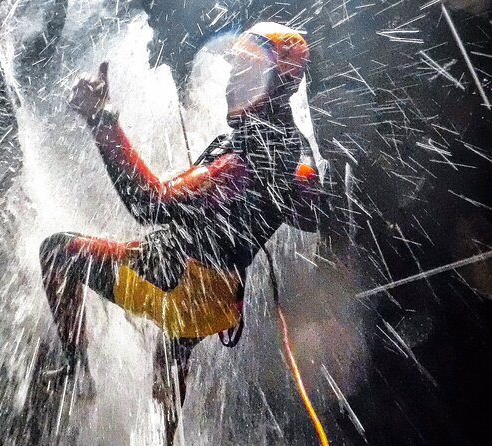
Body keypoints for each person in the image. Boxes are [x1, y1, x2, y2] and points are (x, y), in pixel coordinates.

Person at [38, 21, 320, 444]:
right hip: (217, 301)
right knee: (171, 356)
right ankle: (164, 438)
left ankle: (77, 369)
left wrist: (102, 120)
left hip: (180, 281)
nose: (233, 82)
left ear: (282, 83)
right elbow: (307, 213)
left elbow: (149, 202)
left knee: (57, 251)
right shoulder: (289, 149)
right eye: (236, 69)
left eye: (248, 71)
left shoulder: (247, 157)